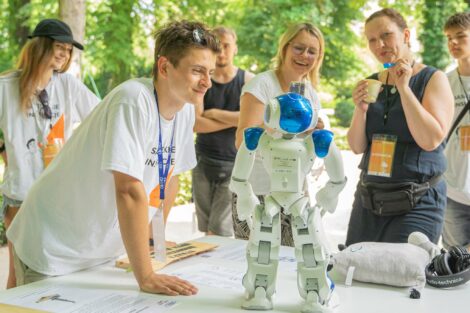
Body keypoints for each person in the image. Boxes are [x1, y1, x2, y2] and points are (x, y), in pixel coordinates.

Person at [7, 20, 220, 295]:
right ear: (165, 67)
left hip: (98, 249)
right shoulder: (132, 100)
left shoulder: (185, 110)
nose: (207, 82)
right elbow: (129, 190)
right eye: (197, 71)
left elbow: (170, 178)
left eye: (210, 72)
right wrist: (146, 276)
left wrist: (155, 242)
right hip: (54, 245)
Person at [0, 19, 99, 289]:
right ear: (39, 46)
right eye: (58, 47)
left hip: (56, 194)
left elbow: (101, 118)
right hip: (21, 193)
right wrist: (5, 151)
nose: (64, 54)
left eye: (68, 50)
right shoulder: (5, 87)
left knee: (46, 274)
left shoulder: (67, 85)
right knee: (20, 274)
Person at [346, 8, 454, 245]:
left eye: (386, 35)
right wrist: (360, 109)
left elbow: (430, 140)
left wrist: (404, 88)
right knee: (354, 271)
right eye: (372, 40)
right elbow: (356, 146)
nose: (379, 44)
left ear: (406, 35)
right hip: (369, 200)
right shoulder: (371, 81)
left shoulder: (433, 79)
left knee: (401, 275)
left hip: (417, 201)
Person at [233, 22, 326, 246]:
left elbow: (307, 145)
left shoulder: (310, 94)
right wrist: (285, 123)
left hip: (295, 192)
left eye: (312, 51)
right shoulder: (262, 85)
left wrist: (314, 134)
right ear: (285, 48)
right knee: (258, 261)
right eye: (299, 48)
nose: (305, 55)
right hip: (259, 194)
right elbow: (242, 140)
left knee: (295, 263)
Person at [193, 26, 254, 236]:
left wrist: (214, 113)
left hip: (234, 165)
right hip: (202, 162)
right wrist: (237, 119)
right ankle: (208, 269)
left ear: (235, 48)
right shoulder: (202, 80)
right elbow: (196, 124)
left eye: (226, 45)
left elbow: (254, 120)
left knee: (219, 230)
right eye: (217, 46)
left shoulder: (248, 81)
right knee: (206, 229)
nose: (222, 51)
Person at [443, 12, 470, 252]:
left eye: (460, 36)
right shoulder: (444, 81)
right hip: (453, 191)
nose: (453, 43)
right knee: (453, 264)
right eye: (449, 37)